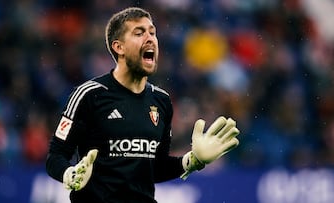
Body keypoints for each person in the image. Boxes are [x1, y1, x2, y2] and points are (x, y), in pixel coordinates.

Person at [46, 7, 240, 203]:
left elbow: (155, 168)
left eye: (152, 33)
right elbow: (56, 156)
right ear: (118, 47)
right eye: (139, 33)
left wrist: (192, 161)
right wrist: (69, 174)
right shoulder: (89, 95)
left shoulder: (162, 101)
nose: (150, 38)